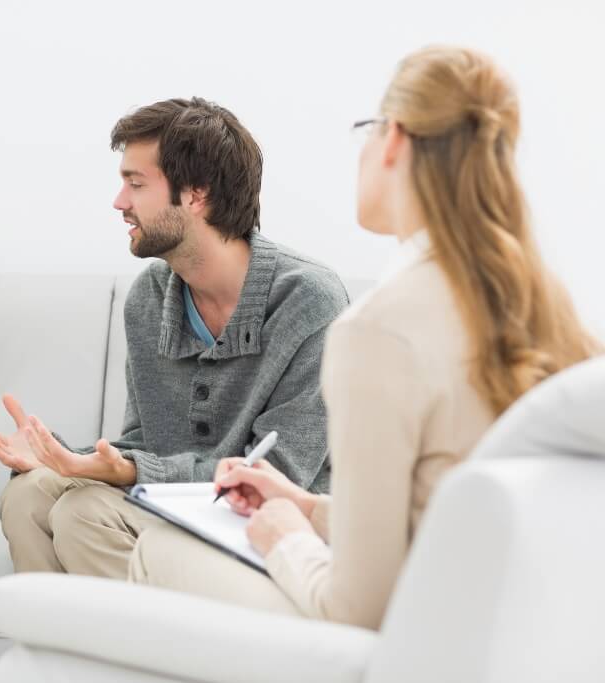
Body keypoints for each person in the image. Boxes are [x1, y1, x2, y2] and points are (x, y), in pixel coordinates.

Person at [129, 46, 601, 630]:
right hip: (500, 627)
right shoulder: (543, 303)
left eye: (368, 131)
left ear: (395, 139)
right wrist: (304, 507)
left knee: (157, 549)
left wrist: (284, 535)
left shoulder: (377, 331)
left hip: (403, 642)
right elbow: (435, 518)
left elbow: (360, 607)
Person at [0, 97, 349, 579]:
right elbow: (146, 444)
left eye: (135, 184)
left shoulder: (309, 301)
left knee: (83, 515)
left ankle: (166, 647)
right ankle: (58, 643)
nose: (120, 203)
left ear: (196, 194)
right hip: (175, 509)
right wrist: (62, 457)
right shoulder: (151, 298)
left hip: (266, 522)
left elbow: (280, 475)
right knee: (29, 492)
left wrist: (130, 471)